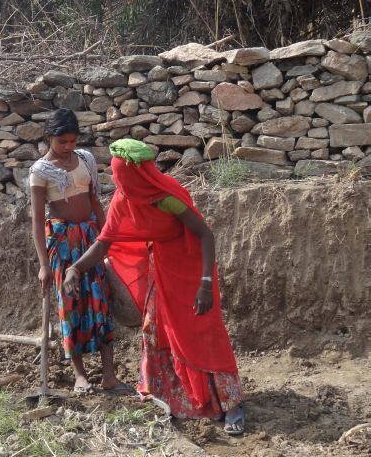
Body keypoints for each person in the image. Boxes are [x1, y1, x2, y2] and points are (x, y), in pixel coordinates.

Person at [63, 138, 245, 434]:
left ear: (138, 175)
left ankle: (230, 403)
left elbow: (204, 235)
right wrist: (75, 268)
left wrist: (205, 284)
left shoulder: (166, 197)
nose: (120, 181)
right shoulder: (125, 199)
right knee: (154, 328)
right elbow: (105, 242)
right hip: (160, 268)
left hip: (191, 268)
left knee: (200, 332)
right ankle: (173, 394)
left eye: (123, 175)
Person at [29, 108, 131, 395]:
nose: (68, 147)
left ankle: (109, 375)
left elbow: (95, 203)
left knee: (101, 303)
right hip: (62, 244)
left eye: (73, 141)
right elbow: (37, 221)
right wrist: (43, 265)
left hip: (91, 239)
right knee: (70, 306)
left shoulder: (85, 160)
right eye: (63, 142)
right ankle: (80, 375)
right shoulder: (40, 172)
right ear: (50, 137)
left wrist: (108, 239)